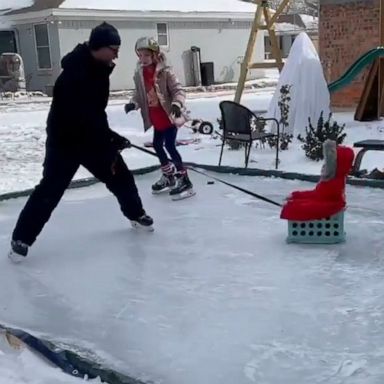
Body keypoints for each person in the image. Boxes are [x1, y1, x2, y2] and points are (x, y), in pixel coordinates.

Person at [8, 22, 153, 263]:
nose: (117, 54)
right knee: (50, 190)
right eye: (113, 48)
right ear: (98, 46)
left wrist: (109, 137)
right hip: (65, 142)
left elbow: (95, 113)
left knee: (121, 178)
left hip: (92, 138)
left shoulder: (101, 69)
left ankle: (136, 214)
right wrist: (108, 138)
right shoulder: (74, 74)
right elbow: (78, 116)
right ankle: (21, 238)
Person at [124, 37, 194, 198]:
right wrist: (133, 104)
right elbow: (139, 94)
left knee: (169, 146)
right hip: (155, 117)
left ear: (155, 55)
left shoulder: (165, 72)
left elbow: (178, 90)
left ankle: (184, 178)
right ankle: (168, 175)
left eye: (146, 55)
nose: (142, 59)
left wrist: (177, 104)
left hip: (168, 116)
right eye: (140, 56)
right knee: (157, 144)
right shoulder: (140, 73)